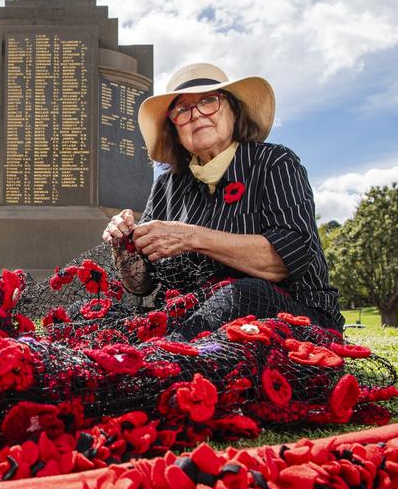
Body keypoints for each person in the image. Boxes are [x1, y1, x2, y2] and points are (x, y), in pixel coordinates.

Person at [103, 62, 343, 333]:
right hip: (194, 316)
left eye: (208, 101)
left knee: (240, 295)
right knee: (99, 314)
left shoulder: (274, 162)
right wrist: (123, 248)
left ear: (234, 112)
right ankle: (165, 351)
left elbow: (286, 261)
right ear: (174, 130)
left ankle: (161, 354)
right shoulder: (166, 187)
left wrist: (190, 237)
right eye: (182, 110)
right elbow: (141, 284)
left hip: (292, 314)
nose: (196, 114)